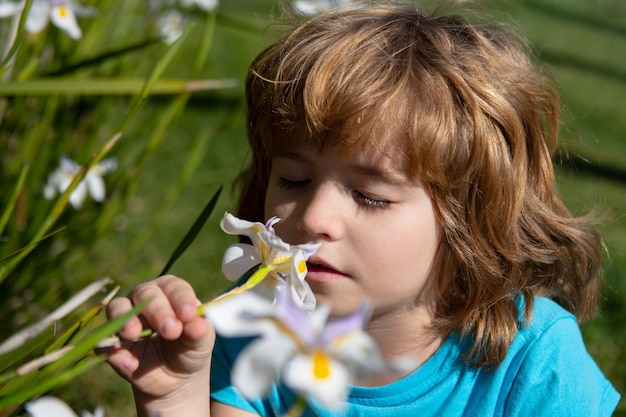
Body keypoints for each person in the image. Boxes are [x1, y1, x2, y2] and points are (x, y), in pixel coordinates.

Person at [105, 2, 621, 416]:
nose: (312, 217)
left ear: (473, 220)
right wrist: (175, 397)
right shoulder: (250, 329)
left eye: (371, 195)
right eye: (294, 179)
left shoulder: (535, 364)